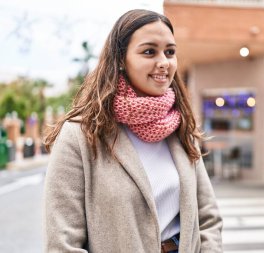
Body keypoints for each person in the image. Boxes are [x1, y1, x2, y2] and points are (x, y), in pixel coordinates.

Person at [43, 9, 223, 253]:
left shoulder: (180, 128)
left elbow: (208, 218)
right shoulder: (80, 134)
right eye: (149, 51)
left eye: (170, 52)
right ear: (120, 60)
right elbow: (62, 242)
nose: (164, 62)